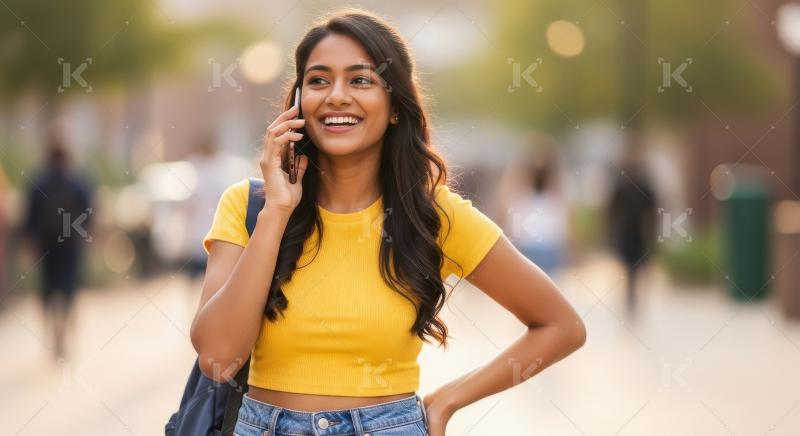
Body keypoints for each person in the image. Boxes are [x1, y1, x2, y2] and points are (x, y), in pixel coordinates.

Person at [190, 9, 586, 436]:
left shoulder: (432, 215)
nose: (336, 96)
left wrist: (449, 399)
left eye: (360, 80)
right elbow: (218, 358)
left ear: (396, 106)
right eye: (319, 80)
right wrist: (277, 213)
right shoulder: (249, 207)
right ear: (299, 102)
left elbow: (561, 326)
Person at [23, 126, 93, 361]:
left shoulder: (39, 180)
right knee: (68, 289)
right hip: (71, 243)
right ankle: (65, 333)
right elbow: (89, 211)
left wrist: (29, 243)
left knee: (49, 290)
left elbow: (30, 217)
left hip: (47, 245)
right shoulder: (78, 179)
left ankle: (53, 334)